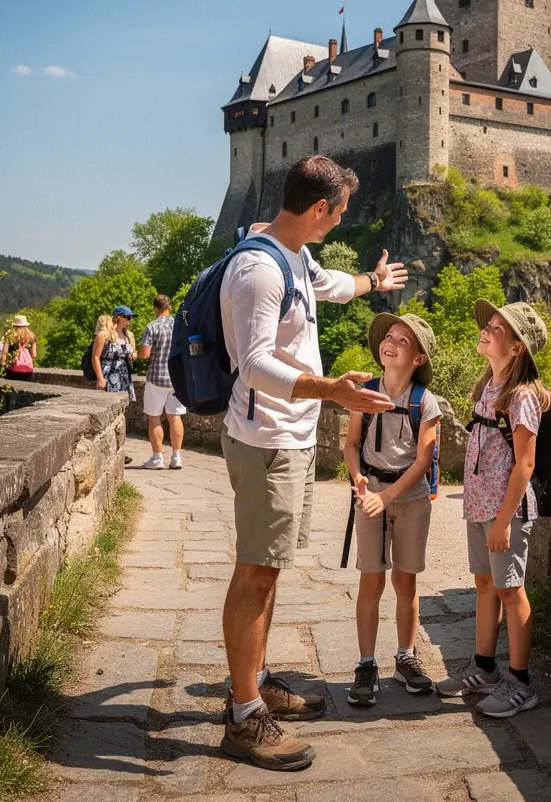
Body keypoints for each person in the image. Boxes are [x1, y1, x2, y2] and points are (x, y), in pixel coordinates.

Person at [218, 155, 408, 772]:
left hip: (290, 440)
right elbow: (253, 365)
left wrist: (373, 283)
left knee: (269, 570)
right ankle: (244, 716)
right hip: (266, 439)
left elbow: (331, 286)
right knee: (255, 572)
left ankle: (258, 678)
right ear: (319, 209)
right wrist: (332, 390)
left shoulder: (296, 257)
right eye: (339, 213)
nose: (340, 223)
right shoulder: (257, 270)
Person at [436, 300, 549, 718]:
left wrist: (504, 519)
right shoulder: (487, 387)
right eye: (490, 324)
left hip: (506, 511)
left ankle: (521, 682)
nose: (487, 329)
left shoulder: (521, 397)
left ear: (517, 347)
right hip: (480, 506)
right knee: (485, 584)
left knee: (510, 590)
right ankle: (484, 668)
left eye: (499, 328)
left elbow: (525, 463)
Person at [343, 312, 440, 707]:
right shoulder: (364, 390)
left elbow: (423, 461)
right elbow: (351, 444)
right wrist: (357, 479)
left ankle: (405, 657)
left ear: (417, 359)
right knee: (371, 582)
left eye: (403, 340)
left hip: (410, 498)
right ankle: (367, 664)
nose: (392, 342)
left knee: (406, 582)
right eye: (390, 336)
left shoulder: (424, 401)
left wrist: (387, 497)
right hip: (371, 494)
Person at [138, 294, 185, 470]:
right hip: (176, 378)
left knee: (154, 417)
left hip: (157, 378)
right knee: (175, 416)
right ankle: (176, 457)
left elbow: (144, 354)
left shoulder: (152, 327)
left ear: (155, 309)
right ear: (170, 308)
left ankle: (158, 458)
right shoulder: (179, 326)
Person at [91, 306, 137, 401]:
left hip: (124, 377)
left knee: (122, 408)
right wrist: (100, 379)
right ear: (117, 317)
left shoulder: (128, 335)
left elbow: (132, 352)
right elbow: (95, 357)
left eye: (131, 317)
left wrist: (134, 354)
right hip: (108, 376)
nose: (130, 319)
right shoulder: (104, 335)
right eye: (127, 316)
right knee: (105, 404)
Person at [2, 316, 37, 380]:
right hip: (27, 370)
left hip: (11, 369)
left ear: (14, 325)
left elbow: (4, 353)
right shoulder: (32, 336)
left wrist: (2, 365)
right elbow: (34, 355)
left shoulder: (10, 336)